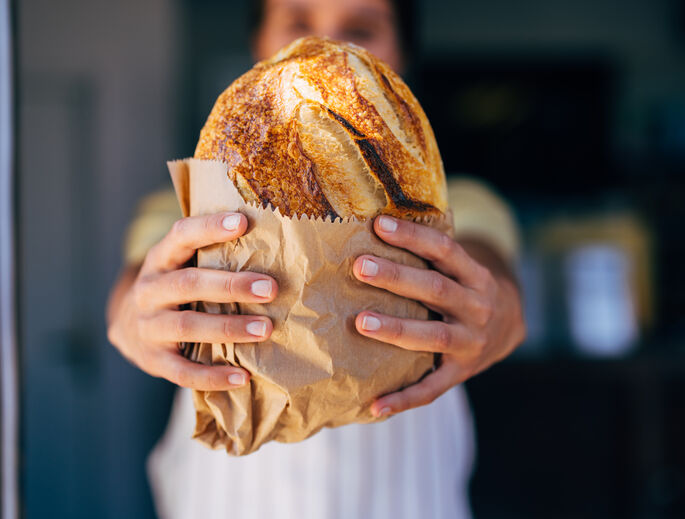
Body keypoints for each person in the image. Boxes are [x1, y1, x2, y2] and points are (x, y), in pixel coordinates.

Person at [106, 0, 526, 517]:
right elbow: (134, 290)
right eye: (298, 24)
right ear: (258, 47)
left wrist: (499, 314)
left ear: (402, 57)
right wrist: (131, 315)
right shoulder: (191, 204)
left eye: (361, 30)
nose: (326, 50)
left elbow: (496, 283)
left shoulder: (456, 206)